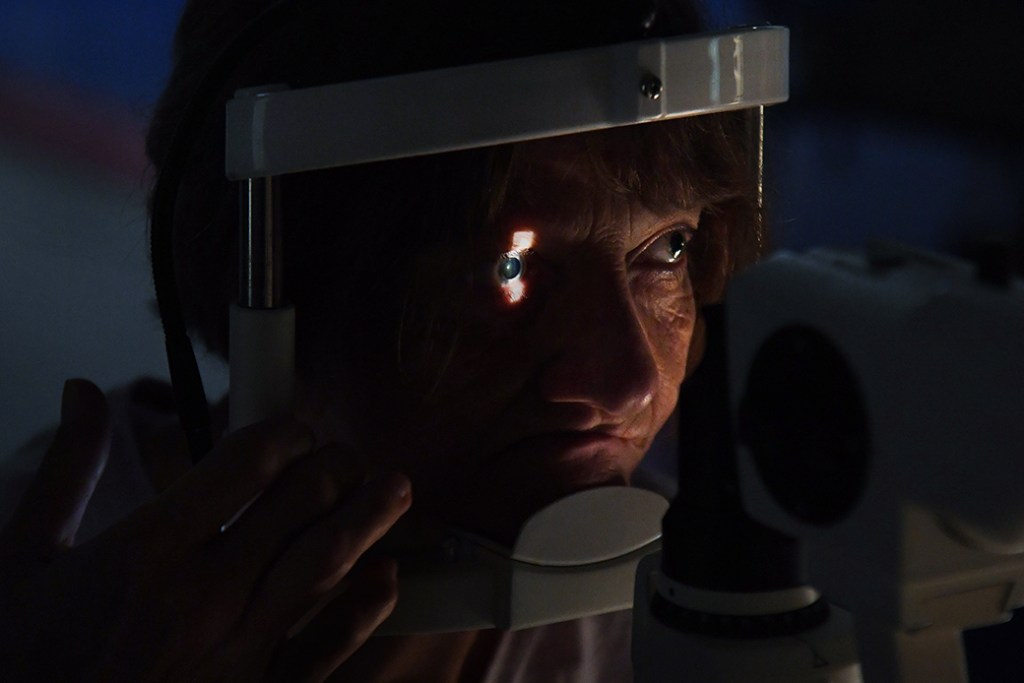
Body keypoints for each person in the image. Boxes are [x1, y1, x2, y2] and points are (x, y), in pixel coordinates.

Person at [0, 0, 764, 680]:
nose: (628, 380)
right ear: (290, 270)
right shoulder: (62, 591)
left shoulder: (708, 600)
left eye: (668, 249)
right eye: (509, 266)